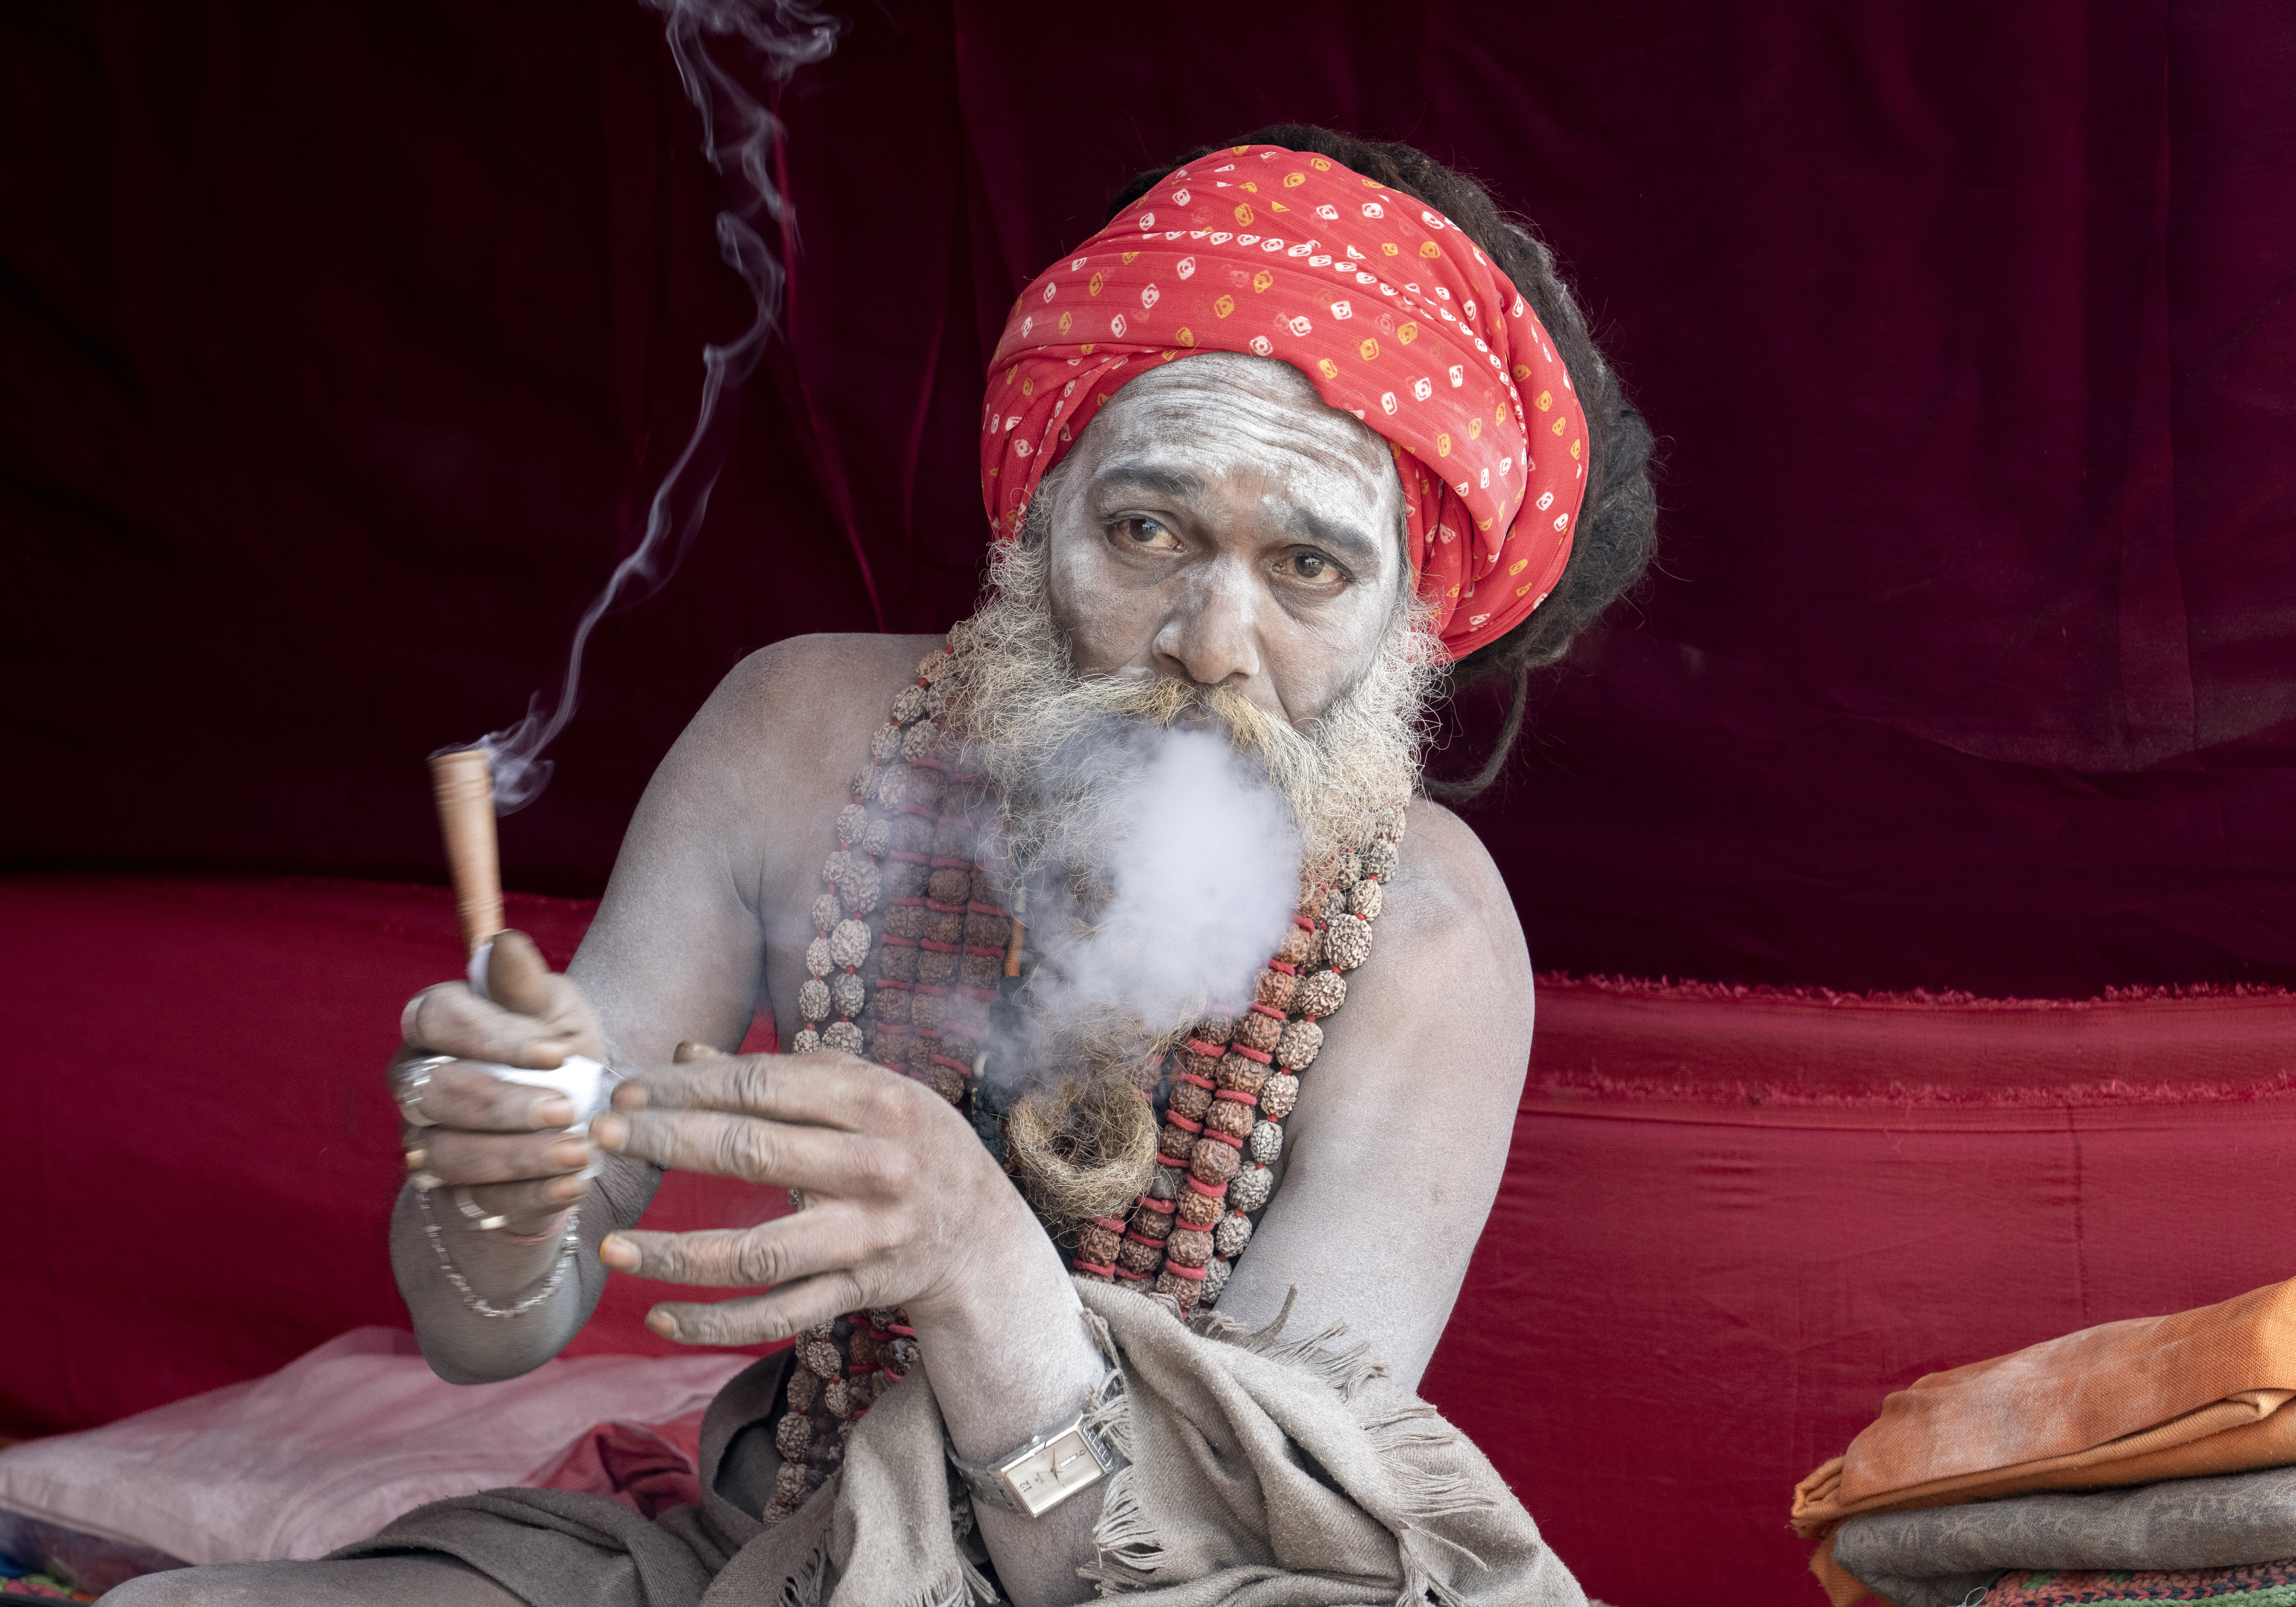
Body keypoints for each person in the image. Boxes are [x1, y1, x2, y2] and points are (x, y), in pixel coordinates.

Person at [109, 125, 1656, 1607]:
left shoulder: (1427, 939)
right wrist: (503, 1186)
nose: (1206, 641)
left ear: (1407, 621)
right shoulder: (799, 736)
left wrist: (977, 1259)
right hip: (772, 1551)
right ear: (1035, 517)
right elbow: (478, 1336)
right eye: (1142, 530)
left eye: (1307, 568)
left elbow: (1244, 1555)